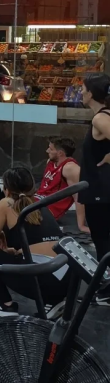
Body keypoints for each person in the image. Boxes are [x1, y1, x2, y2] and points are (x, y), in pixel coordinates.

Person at [0, 167, 67, 318]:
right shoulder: (40, 203)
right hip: (65, 282)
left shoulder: (6, 203)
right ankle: (54, 301)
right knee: (24, 258)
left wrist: (1, 235)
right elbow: (38, 243)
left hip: (45, 283)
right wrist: (14, 251)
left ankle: (5, 305)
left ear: (6, 189)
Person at [78, 73, 110, 306]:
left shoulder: (100, 119)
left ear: (90, 93)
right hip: (101, 189)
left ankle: (107, 290)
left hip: (101, 191)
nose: (80, 93)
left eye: (82, 89)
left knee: (102, 241)